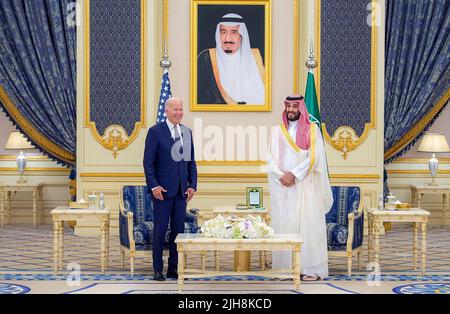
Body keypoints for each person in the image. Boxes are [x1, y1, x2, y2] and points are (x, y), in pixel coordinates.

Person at [267, 95, 333, 281]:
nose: (291, 110)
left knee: (308, 227)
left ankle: (310, 268)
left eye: (295, 107)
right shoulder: (277, 131)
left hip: (306, 186)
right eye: (288, 106)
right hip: (285, 189)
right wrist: (283, 177)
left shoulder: (312, 130)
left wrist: (294, 174)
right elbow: (270, 159)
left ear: (301, 109)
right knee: (285, 226)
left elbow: (315, 157)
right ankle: (285, 268)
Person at [143, 97, 197, 281]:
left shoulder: (187, 132)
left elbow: (191, 162)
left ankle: (173, 269)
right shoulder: (155, 132)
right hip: (162, 192)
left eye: (181, 109)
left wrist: (192, 186)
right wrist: (154, 186)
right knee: (159, 231)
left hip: (182, 192)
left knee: (178, 231)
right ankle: (157, 269)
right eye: (176, 109)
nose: (179, 113)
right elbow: (148, 163)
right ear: (166, 111)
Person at [197, 13, 265, 105]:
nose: (227, 38)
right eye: (223, 32)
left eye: (234, 32)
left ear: (241, 35)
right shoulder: (206, 58)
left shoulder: (259, 58)